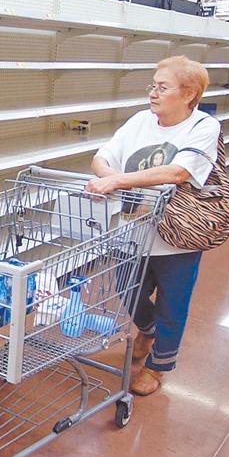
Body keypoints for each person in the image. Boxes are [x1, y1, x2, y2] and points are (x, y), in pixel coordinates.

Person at [86, 55, 220, 396]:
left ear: (189, 94)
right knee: (127, 289)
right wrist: (110, 177)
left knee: (172, 305)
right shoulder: (139, 122)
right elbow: (101, 157)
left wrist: (120, 182)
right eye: (153, 86)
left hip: (178, 236)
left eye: (163, 87)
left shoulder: (203, 126)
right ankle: (146, 330)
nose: (153, 93)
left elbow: (178, 172)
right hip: (133, 231)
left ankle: (159, 367)